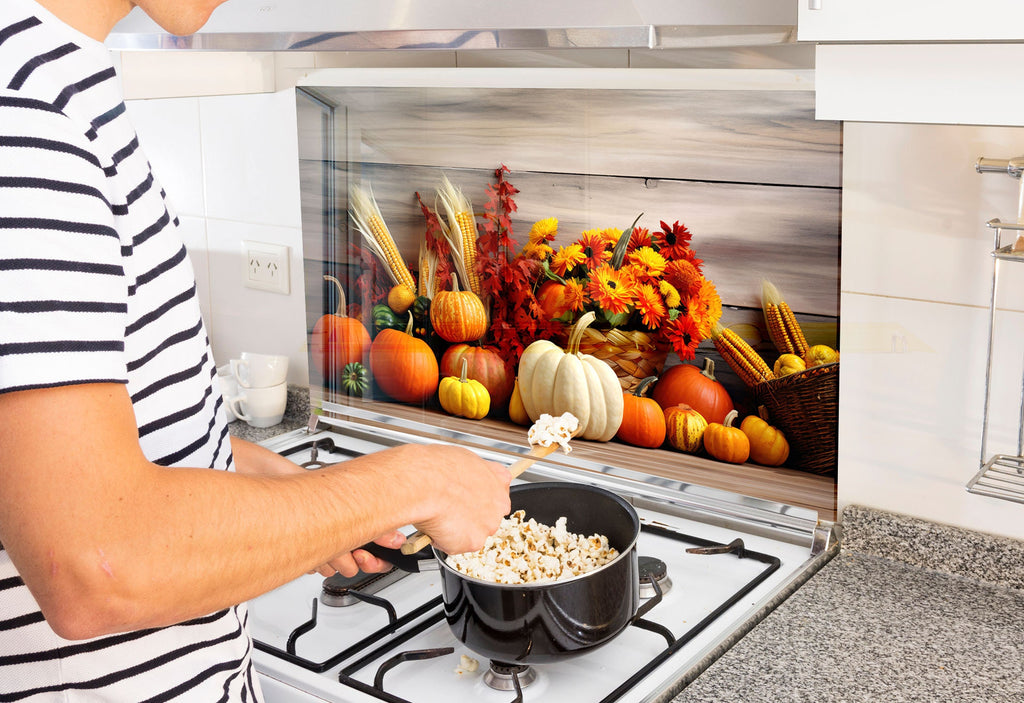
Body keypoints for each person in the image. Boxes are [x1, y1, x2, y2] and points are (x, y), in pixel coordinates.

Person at [0, 0, 512, 699]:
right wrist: (417, 480)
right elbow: (95, 562)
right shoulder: (24, 115)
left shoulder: (57, 80)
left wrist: (301, 500)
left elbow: (99, 449)